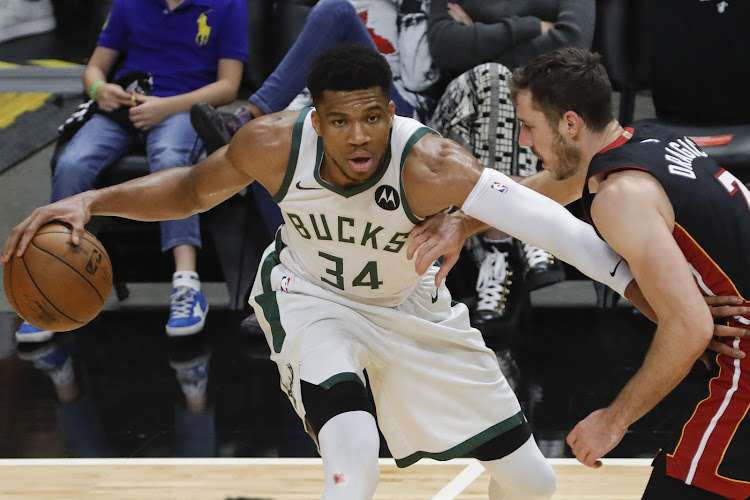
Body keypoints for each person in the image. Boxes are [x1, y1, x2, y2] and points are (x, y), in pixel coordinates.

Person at [3, 43, 647, 499]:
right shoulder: (273, 143)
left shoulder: (434, 164)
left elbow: (555, 226)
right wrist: (93, 199)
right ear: (316, 120)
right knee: (353, 457)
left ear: (391, 114)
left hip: (409, 312)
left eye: (373, 117)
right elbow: (193, 190)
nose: (360, 136)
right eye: (341, 121)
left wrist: (644, 291)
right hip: (310, 299)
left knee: (534, 484)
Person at [409, 47, 750, 499]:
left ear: (569, 123)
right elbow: (549, 189)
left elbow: (689, 327)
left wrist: (612, 421)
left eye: (529, 127)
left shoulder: (619, 197)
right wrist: (465, 223)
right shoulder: (643, 141)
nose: (525, 141)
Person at [14, 0, 248, 342]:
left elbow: (228, 87)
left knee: (171, 159)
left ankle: (186, 285)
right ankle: (51, 290)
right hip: (125, 107)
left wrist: (165, 107)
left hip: (180, 106)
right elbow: (94, 70)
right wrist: (100, 90)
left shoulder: (228, 5)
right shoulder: (130, 2)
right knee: (72, 162)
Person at [424, 0, 596, 328]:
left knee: (510, 91)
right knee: (496, 78)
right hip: (455, 116)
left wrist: (477, 36)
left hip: (541, 117)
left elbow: (572, 49)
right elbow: (446, 49)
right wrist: (533, 26)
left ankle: (497, 252)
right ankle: (528, 228)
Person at [190, 0, 441, 154]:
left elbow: (418, 78)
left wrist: (411, 7)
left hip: (394, 108)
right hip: (335, 102)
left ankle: (249, 117)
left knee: (336, 9)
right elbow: (314, 74)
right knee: (260, 141)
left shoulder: (416, 7)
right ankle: (286, 239)